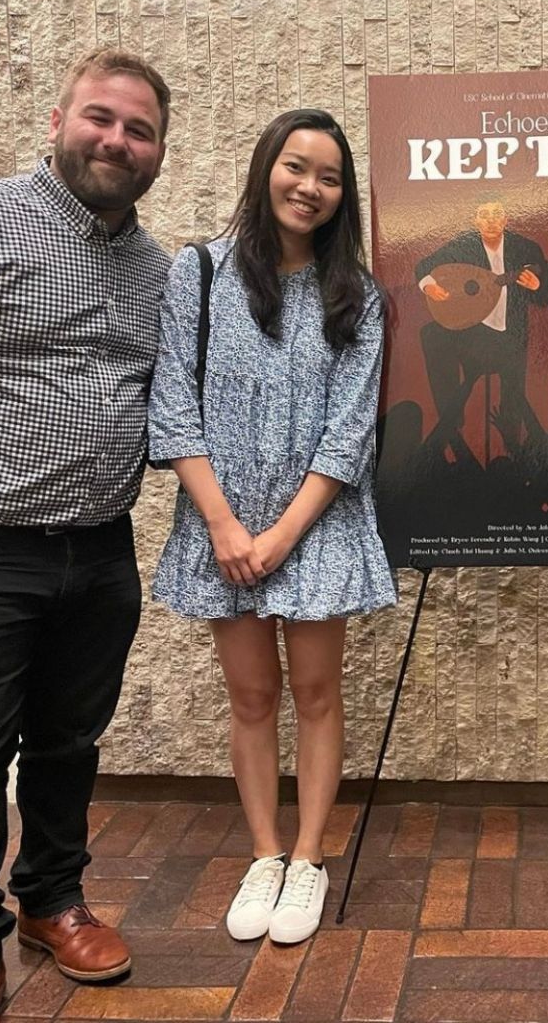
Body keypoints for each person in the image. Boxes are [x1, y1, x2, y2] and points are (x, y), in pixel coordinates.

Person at [148, 108, 396, 945]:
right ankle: (264, 853)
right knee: (252, 697)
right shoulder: (200, 273)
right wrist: (223, 524)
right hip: (222, 521)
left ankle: (309, 859)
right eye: (296, 166)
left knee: (318, 694)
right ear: (265, 168)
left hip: (314, 522)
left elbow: (350, 430)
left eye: (329, 177)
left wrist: (283, 534)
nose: (310, 187)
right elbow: (172, 405)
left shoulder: (358, 295)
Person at [0, 49, 170, 997]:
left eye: (139, 130)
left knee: (68, 741)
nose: (117, 140)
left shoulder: (159, 270)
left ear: (158, 153)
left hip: (103, 550)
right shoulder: (0, 221)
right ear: (58, 119)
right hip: (1, 545)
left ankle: (51, 900)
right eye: (101, 117)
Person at [415, 200, 548, 450]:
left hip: (510, 337)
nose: (490, 221)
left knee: (513, 394)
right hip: (473, 334)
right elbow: (424, 266)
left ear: (506, 219)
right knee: (431, 334)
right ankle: (451, 423)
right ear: (475, 221)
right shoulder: (464, 244)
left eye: (497, 214)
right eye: (484, 215)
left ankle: (512, 446)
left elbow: (544, 298)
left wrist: (536, 286)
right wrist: (429, 285)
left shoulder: (526, 248)